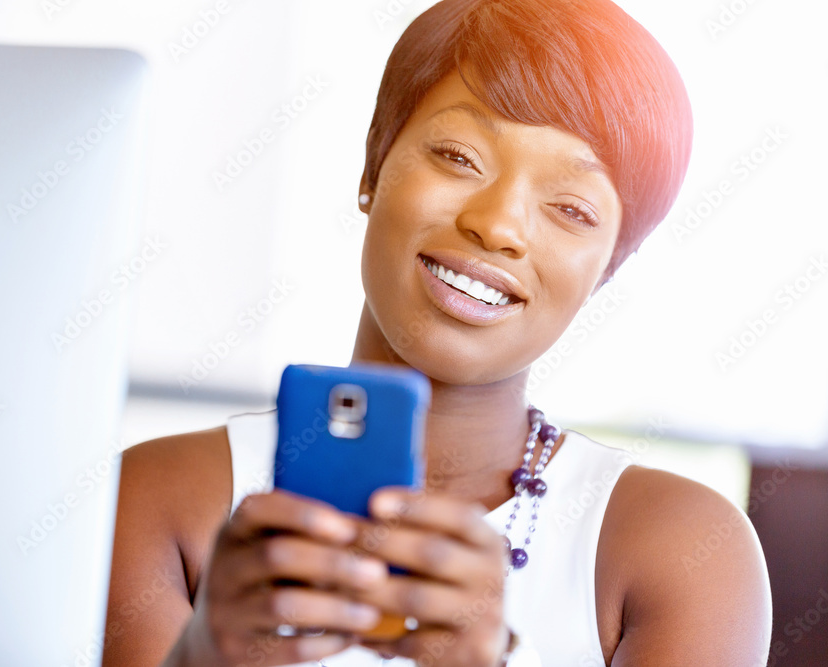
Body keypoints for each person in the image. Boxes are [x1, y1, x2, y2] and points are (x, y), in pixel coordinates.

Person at [103, 1, 773, 665]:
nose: (499, 224)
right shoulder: (155, 499)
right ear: (373, 168)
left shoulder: (684, 550)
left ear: (608, 268)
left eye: (571, 207)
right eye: (458, 156)